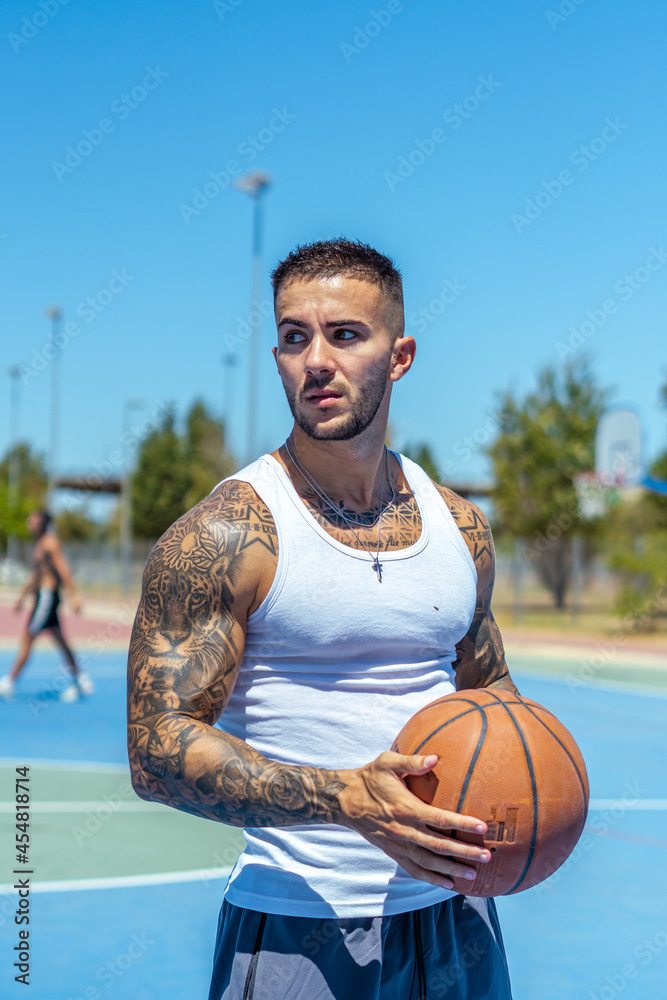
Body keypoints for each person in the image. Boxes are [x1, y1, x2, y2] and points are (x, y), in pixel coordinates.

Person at [127, 238, 516, 999]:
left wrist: (525, 809)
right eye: (293, 337)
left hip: (456, 919)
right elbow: (154, 750)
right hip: (299, 926)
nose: (314, 361)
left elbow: (491, 697)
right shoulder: (226, 532)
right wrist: (348, 798)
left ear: (398, 356)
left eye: (344, 335)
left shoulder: (459, 526)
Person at [0, 510, 94, 702]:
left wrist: (74, 596)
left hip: (47, 597)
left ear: (42, 523)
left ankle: (9, 681)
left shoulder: (50, 543)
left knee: (28, 636)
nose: (29, 522)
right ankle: (82, 680)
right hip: (42, 597)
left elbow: (63, 568)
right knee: (60, 640)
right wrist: (22, 597)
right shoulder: (39, 545)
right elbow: (35, 575)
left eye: (32, 519)